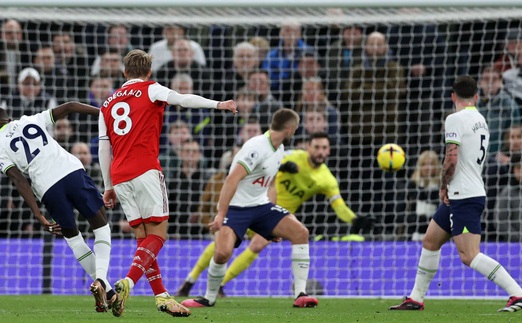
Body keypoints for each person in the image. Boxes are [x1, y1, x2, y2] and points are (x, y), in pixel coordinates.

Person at [97, 49, 237, 317]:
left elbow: (104, 147)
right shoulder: (151, 89)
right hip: (146, 170)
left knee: (143, 241)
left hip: (120, 175)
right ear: (149, 72)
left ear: (124, 72)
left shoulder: (107, 104)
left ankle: (162, 296)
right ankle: (127, 282)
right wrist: (217, 104)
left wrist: (108, 185)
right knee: (158, 236)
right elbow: (182, 99)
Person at [389, 75, 522, 312]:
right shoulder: (481, 120)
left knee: (469, 255)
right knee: (430, 241)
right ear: (476, 96)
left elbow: (451, 157)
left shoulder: (454, 118)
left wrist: (444, 185)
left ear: (453, 96)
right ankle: (416, 298)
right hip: (466, 192)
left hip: (463, 195)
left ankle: (518, 294)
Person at [176, 132, 363, 297]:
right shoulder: (292, 155)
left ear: (329, 150)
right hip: (254, 203)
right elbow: (265, 159)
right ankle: (190, 281)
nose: (320, 152)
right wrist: (282, 167)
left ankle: (220, 285)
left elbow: (339, 205)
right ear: (308, 147)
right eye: (317, 147)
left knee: (257, 244)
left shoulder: (327, 179)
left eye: (324, 148)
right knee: (223, 245)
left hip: (274, 216)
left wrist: (354, 218)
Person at [180, 109, 319, 309]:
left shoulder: (278, 149)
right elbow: (231, 179)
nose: (295, 132)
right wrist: (221, 214)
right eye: (295, 129)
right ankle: (209, 298)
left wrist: (272, 223)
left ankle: (300, 294)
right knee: (221, 253)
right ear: (289, 129)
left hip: (261, 207)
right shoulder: (256, 147)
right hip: (236, 208)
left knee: (300, 233)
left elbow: (270, 185)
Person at [0, 101, 115, 312]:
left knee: (73, 238)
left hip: (47, 188)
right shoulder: (30, 120)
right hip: (71, 172)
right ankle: (101, 279)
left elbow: (19, 180)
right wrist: (104, 114)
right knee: (101, 226)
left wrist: (38, 215)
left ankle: (108, 291)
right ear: (8, 118)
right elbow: (70, 106)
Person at [495, 153, 522, 242]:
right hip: (515, 245)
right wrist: (519, 239)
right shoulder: (507, 192)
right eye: (519, 168)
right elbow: (500, 221)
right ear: (513, 170)